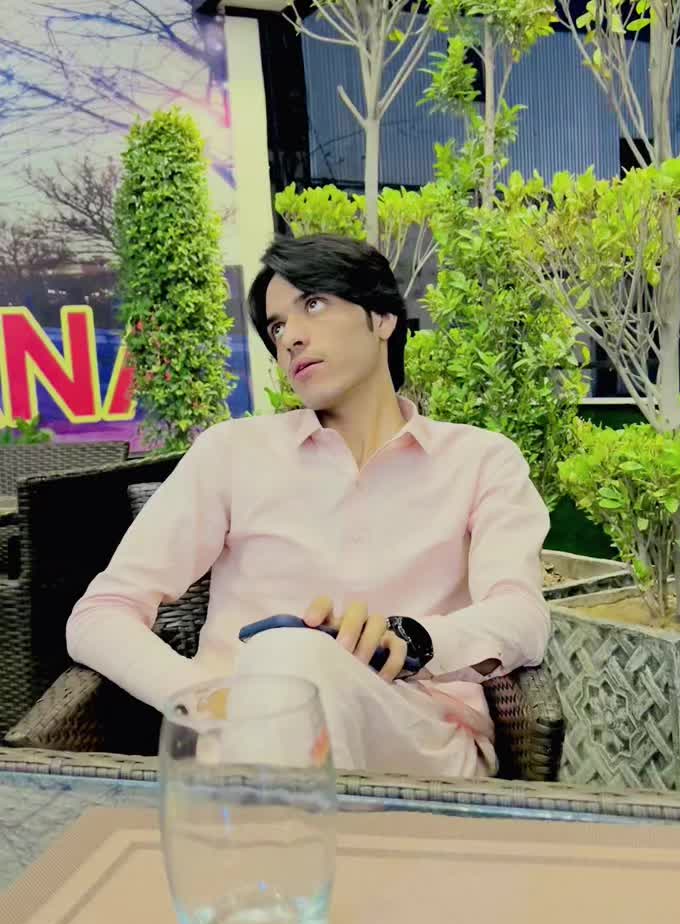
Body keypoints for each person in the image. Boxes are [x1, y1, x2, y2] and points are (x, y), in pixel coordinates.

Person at [67, 234, 550, 778]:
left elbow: (522, 616)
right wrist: (203, 697)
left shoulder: (480, 460)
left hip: (414, 735)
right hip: (240, 737)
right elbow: (100, 614)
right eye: (276, 327)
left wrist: (413, 638)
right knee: (283, 659)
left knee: (291, 653)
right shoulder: (232, 453)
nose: (291, 338)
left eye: (313, 304)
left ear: (382, 318)